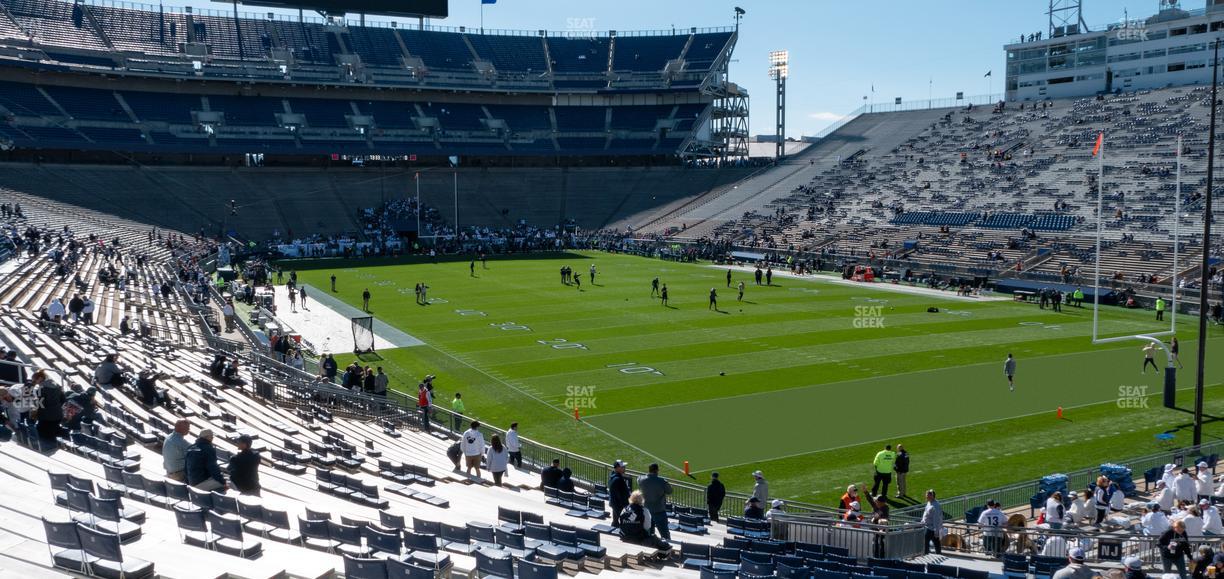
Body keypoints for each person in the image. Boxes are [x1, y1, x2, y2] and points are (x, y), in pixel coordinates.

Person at [637, 463, 673, 540]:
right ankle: (667, 547)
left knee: (649, 532)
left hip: (646, 510)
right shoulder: (662, 481)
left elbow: (639, 479)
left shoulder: (641, 479)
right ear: (657, 470)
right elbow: (670, 491)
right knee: (665, 533)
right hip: (659, 511)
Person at [33, 370, 65, 443]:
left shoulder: (41, 389)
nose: (35, 383)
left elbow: (41, 405)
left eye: (35, 381)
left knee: (44, 435)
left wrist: (35, 402)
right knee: (53, 434)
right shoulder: (56, 386)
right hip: (58, 415)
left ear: (40, 378)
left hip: (46, 417)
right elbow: (63, 399)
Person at [609, 460, 632, 527]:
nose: (624, 468)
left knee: (615, 521)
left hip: (616, 504)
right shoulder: (617, 479)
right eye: (623, 467)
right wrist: (625, 504)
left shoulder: (614, 476)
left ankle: (613, 530)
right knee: (624, 521)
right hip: (619, 505)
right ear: (618, 468)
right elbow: (618, 494)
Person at [921, 489, 943, 555]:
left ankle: (926, 554)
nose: (926, 497)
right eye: (926, 495)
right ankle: (937, 554)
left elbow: (936, 519)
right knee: (936, 543)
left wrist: (936, 531)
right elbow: (925, 513)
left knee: (926, 543)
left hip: (932, 528)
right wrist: (922, 521)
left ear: (932, 496)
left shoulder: (935, 506)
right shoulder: (929, 503)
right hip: (928, 526)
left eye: (928, 496)